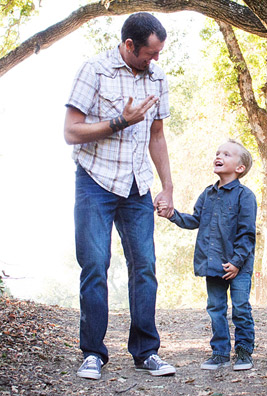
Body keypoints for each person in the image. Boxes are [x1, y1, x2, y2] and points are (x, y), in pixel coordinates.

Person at [64, 12, 176, 380]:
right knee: (95, 265)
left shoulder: (157, 77)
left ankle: (146, 352)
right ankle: (93, 353)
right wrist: (120, 122)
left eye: (159, 53)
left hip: (136, 185)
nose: (155, 60)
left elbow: (156, 135)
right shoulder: (94, 70)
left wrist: (168, 186)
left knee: (144, 266)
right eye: (150, 53)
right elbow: (71, 131)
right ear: (129, 45)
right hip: (95, 181)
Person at [157, 139, 257, 371]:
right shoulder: (208, 194)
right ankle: (220, 353)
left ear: (240, 168)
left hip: (238, 265)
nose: (219, 156)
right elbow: (195, 221)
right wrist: (172, 215)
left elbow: (247, 234)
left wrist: (236, 262)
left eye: (227, 154)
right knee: (216, 308)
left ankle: (243, 352)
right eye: (217, 152)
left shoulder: (245, 196)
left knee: (240, 307)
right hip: (213, 264)